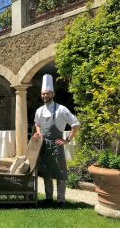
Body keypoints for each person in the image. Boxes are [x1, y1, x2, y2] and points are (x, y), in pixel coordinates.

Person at [33, 74, 80, 208]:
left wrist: (67, 140)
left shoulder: (61, 109)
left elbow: (75, 124)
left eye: (47, 93)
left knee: (59, 173)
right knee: (46, 173)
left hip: (56, 144)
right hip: (43, 146)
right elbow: (37, 123)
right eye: (43, 94)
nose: (45, 96)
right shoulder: (39, 110)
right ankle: (48, 198)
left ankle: (60, 200)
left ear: (53, 94)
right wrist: (38, 132)